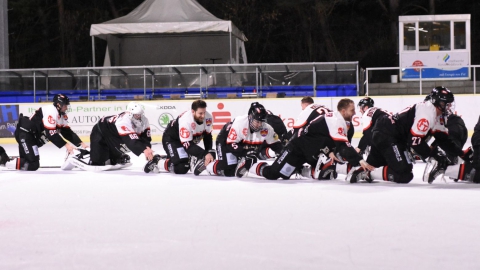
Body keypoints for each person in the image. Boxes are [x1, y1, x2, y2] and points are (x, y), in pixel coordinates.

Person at [351, 86, 470, 184]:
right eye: (446, 104)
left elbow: (444, 140)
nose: (448, 107)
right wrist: (433, 156)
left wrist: (461, 153)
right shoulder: (427, 113)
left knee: (375, 165)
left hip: (387, 134)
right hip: (388, 136)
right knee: (404, 174)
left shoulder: (434, 113)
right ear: (436, 102)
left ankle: (364, 170)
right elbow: (414, 141)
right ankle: (368, 173)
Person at [236, 98, 374, 180]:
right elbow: (344, 146)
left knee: (325, 169)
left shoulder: (342, 123)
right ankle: (250, 164)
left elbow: (339, 145)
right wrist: (359, 161)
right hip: (298, 148)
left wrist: (333, 153)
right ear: (343, 111)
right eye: (351, 110)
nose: (355, 113)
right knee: (275, 174)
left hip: (311, 149)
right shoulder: (336, 120)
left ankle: (305, 169)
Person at [198, 102, 283, 177]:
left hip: (241, 143)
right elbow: (231, 144)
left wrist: (285, 155)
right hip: (225, 140)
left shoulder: (267, 128)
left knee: (249, 159)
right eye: (257, 121)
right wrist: (245, 153)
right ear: (250, 117)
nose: (259, 125)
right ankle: (207, 164)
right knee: (229, 171)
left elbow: (276, 145)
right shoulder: (240, 123)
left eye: (261, 122)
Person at [65, 101, 154, 171]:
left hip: (113, 136)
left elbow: (146, 137)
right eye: (137, 115)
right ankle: (80, 153)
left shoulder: (144, 120)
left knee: (114, 160)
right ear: (130, 114)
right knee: (97, 162)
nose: (139, 117)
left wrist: (147, 147)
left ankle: (112, 156)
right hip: (101, 132)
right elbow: (129, 139)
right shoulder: (124, 121)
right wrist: (143, 149)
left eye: (140, 115)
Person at [9, 94, 88, 171]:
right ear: (58, 105)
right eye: (65, 105)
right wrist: (67, 145)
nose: (66, 108)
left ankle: (9, 159)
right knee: (33, 164)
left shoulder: (61, 115)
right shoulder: (51, 111)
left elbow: (67, 132)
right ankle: (6, 161)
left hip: (31, 137)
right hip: (25, 135)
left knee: (28, 160)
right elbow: (51, 134)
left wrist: (81, 143)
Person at [144, 99, 214, 174]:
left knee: (212, 153)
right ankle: (158, 161)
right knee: (181, 167)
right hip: (172, 139)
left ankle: (183, 157)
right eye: (200, 113)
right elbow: (188, 146)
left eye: (204, 112)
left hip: (186, 140)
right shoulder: (185, 121)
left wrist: (208, 152)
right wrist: (205, 154)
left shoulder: (208, 117)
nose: (203, 116)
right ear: (193, 111)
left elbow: (207, 136)